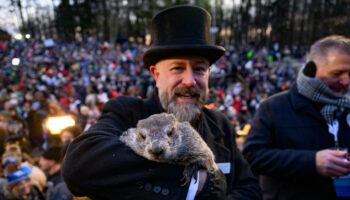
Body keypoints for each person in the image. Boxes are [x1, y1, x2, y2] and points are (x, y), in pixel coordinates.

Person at [62, 5, 261, 200]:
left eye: (199, 69)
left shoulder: (220, 124)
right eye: (177, 68)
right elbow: (79, 165)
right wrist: (194, 186)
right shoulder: (128, 112)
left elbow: (249, 188)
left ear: (209, 74)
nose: (190, 80)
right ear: (156, 75)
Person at [242, 35, 350, 200]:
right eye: (337, 73)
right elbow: (253, 156)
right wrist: (312, 162)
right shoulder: (273, 108)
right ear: (312, 69)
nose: (346, 81)